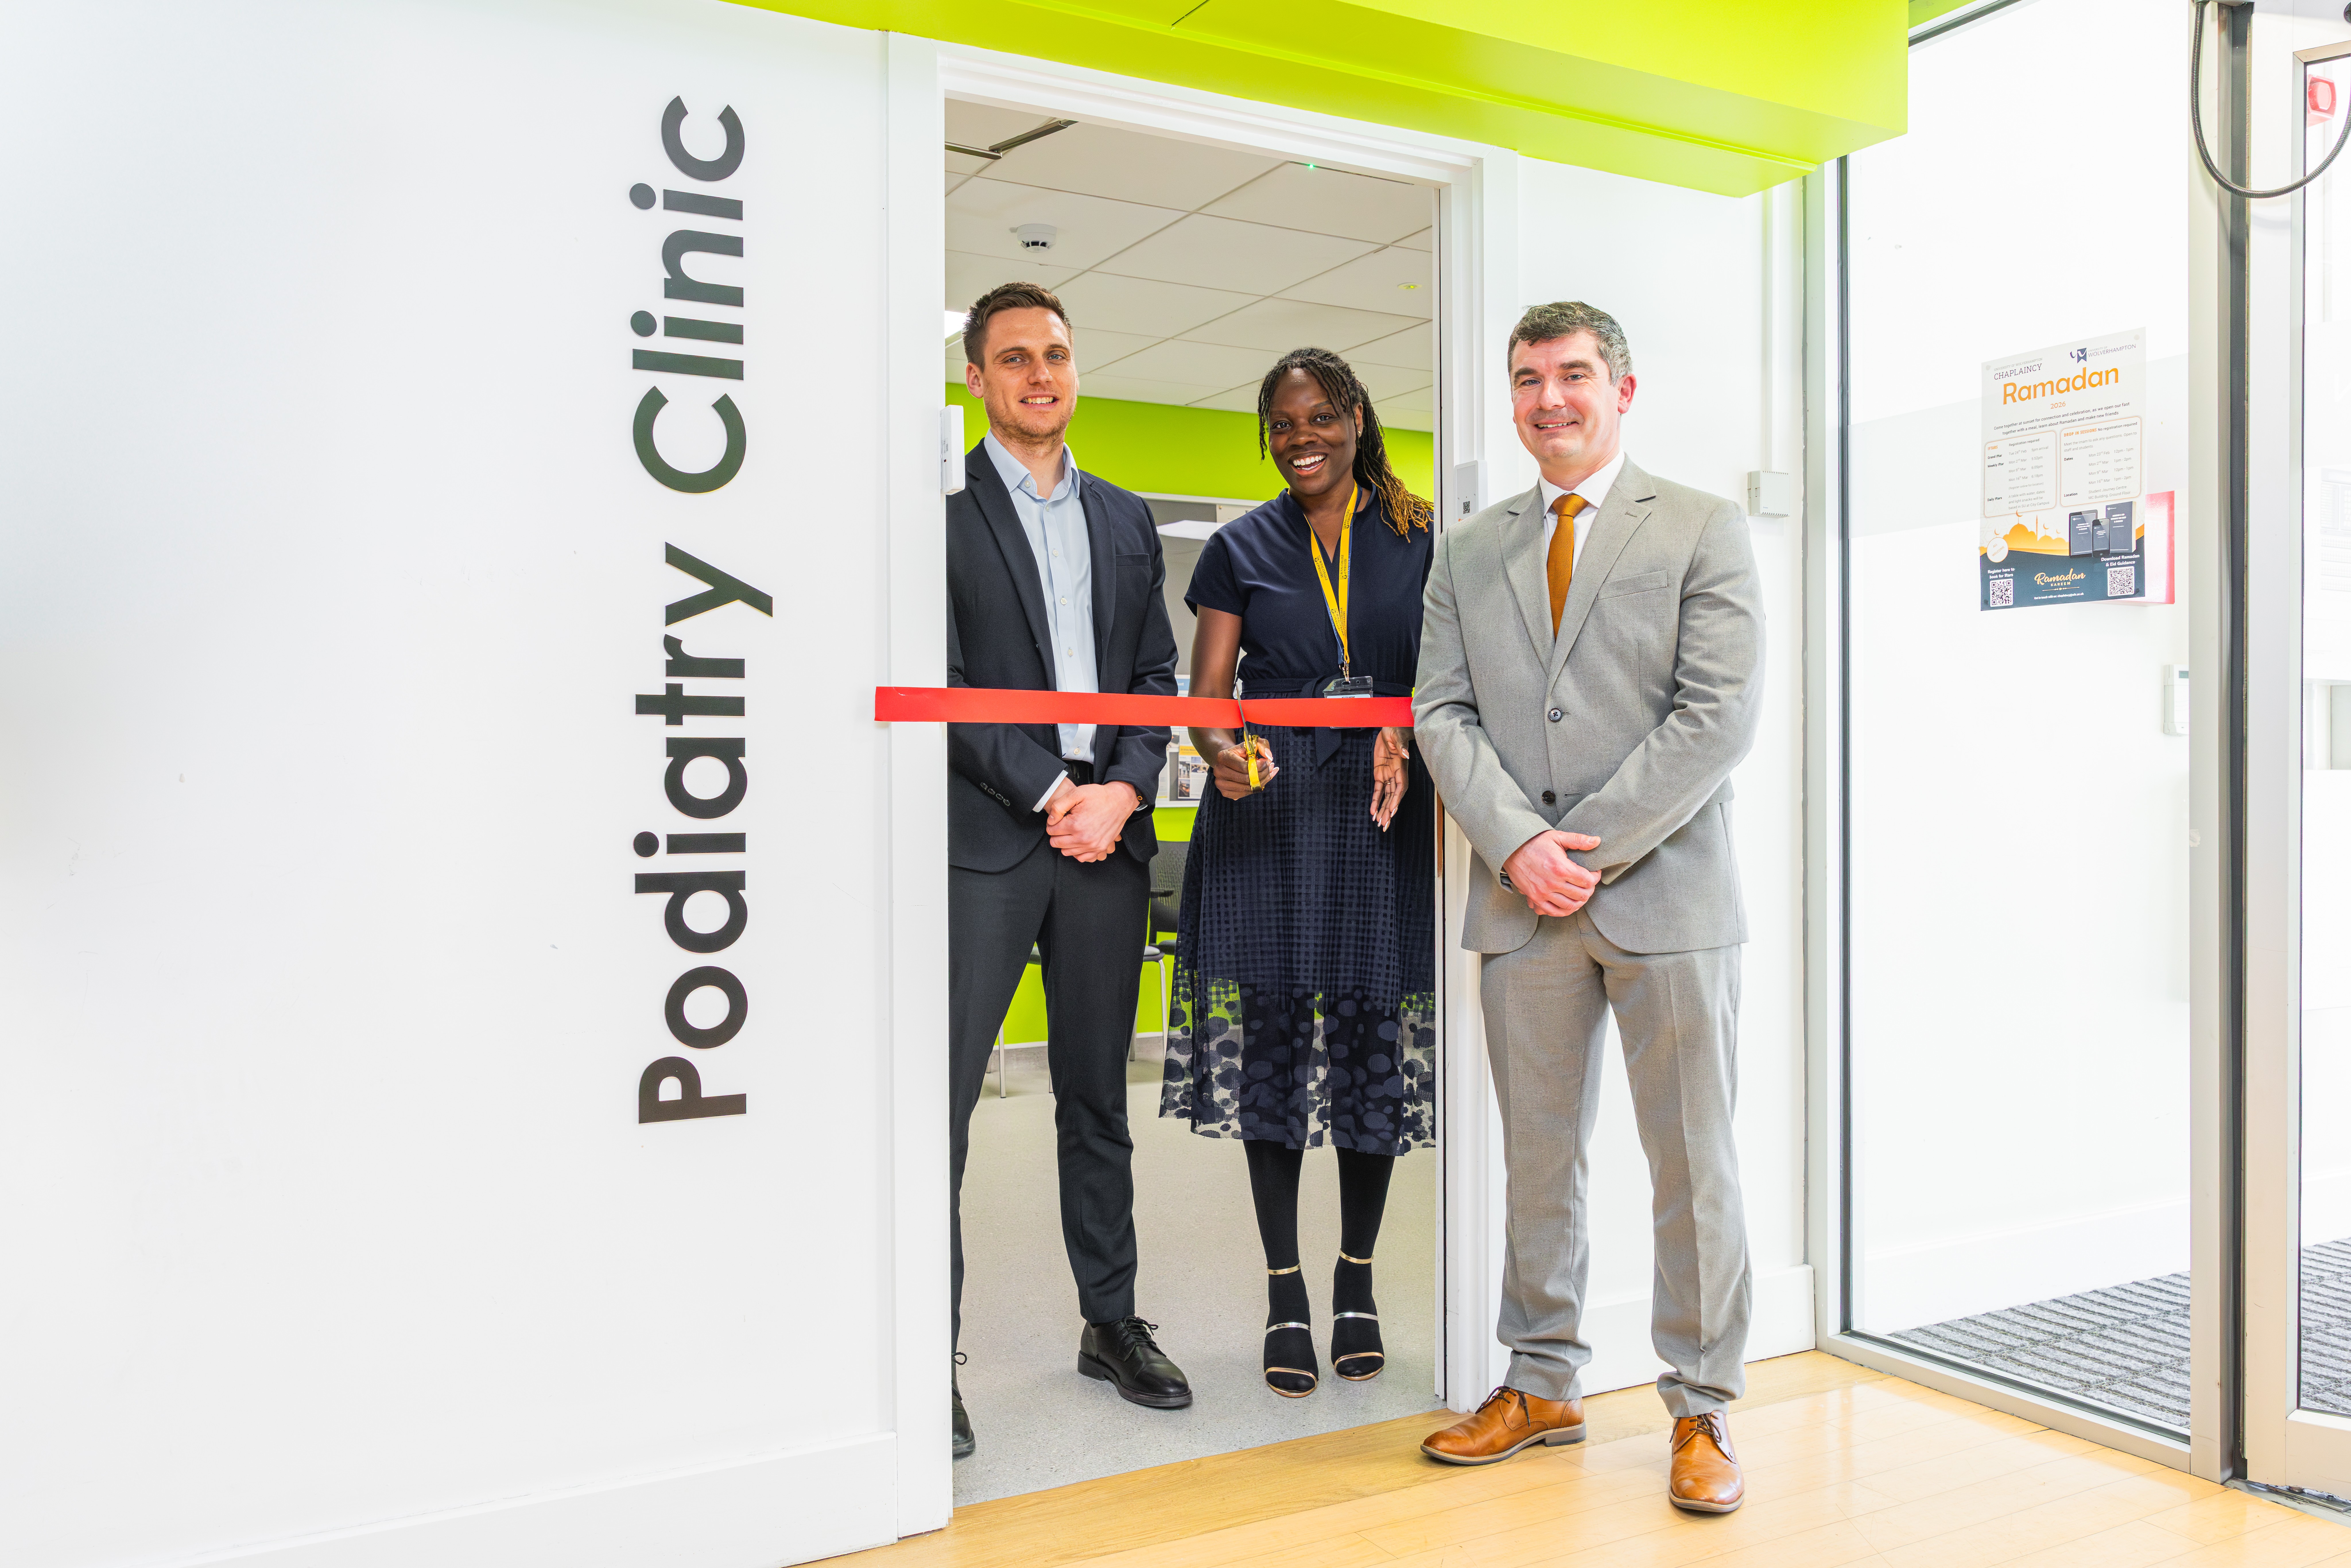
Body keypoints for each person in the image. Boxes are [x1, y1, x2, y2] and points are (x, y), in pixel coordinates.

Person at [1412, 302, 1763, 1513]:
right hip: (1523, 906)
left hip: (1664, 896)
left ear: (1621, 389)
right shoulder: (1468, 549)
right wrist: (1516, 847)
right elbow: (1439, 713)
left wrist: (1582, 850)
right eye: (1526, 380)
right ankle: (1542, 1378)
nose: (1546, 400)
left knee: (1691, 1163)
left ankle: (1702, 1404)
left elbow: (1715, 718)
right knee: (1537, 1160)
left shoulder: (1703, 528)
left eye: (1570, 376)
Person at [1159, 348, 1436, 1399]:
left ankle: (1356, 1279)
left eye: (1320, 416)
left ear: (1358, 419)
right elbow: (1207, 696)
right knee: (1272, 1052)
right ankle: (1285, 1292)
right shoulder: (1239, 548)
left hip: (1380, 816)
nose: (1301, 436)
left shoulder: (1421, 544)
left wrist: (1404, 731)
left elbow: (1444, 683)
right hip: (1267, 818)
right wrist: (1220, 753)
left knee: (1371, 1044)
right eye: (1282, 423)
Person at [945, 282, 1190, 1460]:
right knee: (940, 1110)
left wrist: (1122, 791)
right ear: (980, 380)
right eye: (1012, 359)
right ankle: (919, 1356)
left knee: (1098, 1099)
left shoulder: (1126, 517)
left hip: (1108, 841)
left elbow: (1153, 675)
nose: (1038, 374)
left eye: (1052, 354)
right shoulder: (938, 515)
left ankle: (1109, 1322)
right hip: (991, 842)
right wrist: (1054, 791)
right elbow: (944, 688)